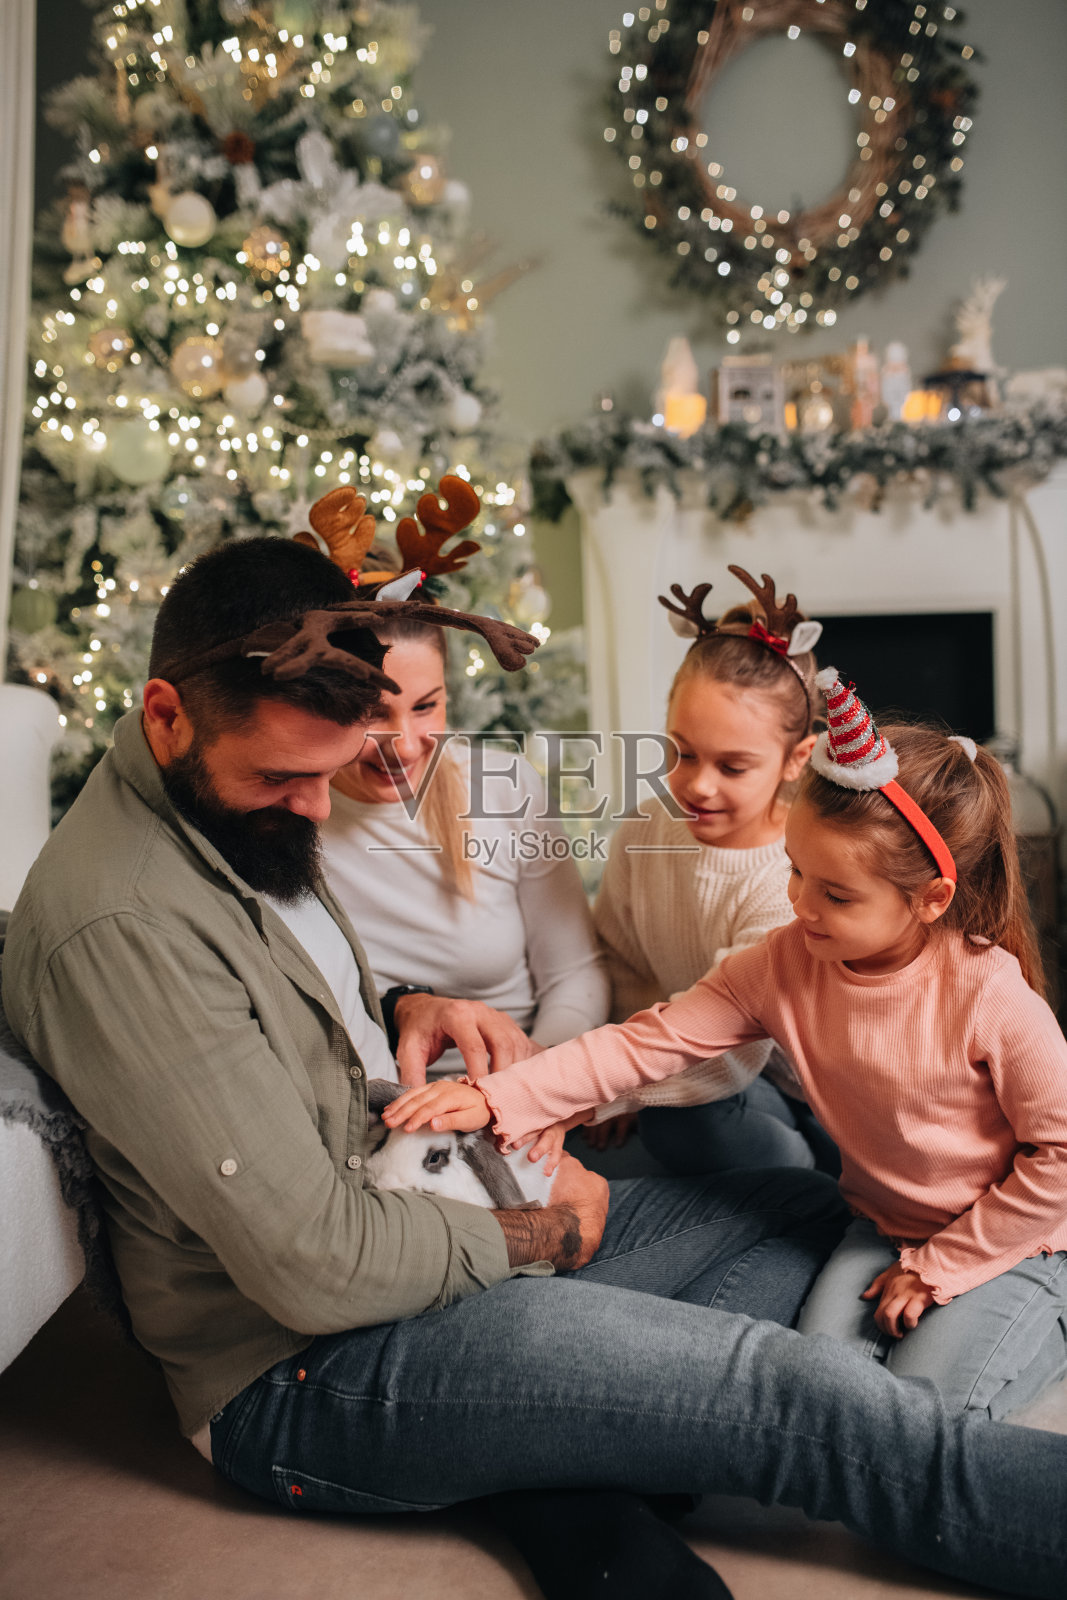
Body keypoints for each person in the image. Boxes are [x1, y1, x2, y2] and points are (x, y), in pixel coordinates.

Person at [6, 539, 1067, 1600]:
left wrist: (407, 1011)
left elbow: (284, 1046)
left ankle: (583, 1437)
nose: (322, 807)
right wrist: (537, 1229)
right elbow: (313, 1267)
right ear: (163, 715)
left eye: (329, 772)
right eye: (286, 777)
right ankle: (621, 1428)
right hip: (306, 1364)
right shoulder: (124, 927)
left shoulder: (223, 817)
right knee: (799, 1394)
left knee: (793, 1203)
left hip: (414, 1195)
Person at [390, 667, 1067, 1424]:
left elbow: (1061, 1156)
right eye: (796, 872)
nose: (798, 905)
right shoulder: (782, 962)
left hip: (1024, 1236)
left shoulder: (990, 995)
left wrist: (942, 1268)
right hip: (880, 1228)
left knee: (919, 1420)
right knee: (819, 1399)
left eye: (835, 895)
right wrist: (494, 1097)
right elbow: (648, 1043)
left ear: (930, 900)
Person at [591, 568, 837, 1174]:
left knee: (686, 1115)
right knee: (672, 1121)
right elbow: (620, 960)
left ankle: (814, 1185)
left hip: (817, 1098)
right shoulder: (648, 831)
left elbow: (727, 1046)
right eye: (683, 753)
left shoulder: (795, 877)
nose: (698, 784)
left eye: (733, 767)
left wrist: (610, 1090)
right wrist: (621, 1078)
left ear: (794, 759)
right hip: (710, 1072)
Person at [321, 592, 610, 1084]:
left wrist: (535, 1083)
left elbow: (574, 974)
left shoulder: (504, 787)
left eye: (426, 706)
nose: (405, 745)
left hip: (521, 1091)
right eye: (373, 713)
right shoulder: (289, 819)